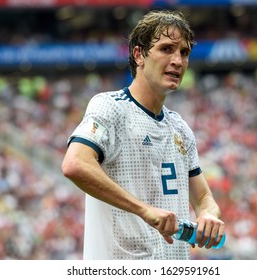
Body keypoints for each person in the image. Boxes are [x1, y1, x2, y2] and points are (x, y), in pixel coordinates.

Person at [61, 9, 225, 260]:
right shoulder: (110, 107)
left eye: (184, 52)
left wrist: (208, 214)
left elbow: (203, 196)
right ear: (139, 54)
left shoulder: (180, 127)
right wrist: (144, 210)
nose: (178, 61)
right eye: (166, 49)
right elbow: (75, 164)